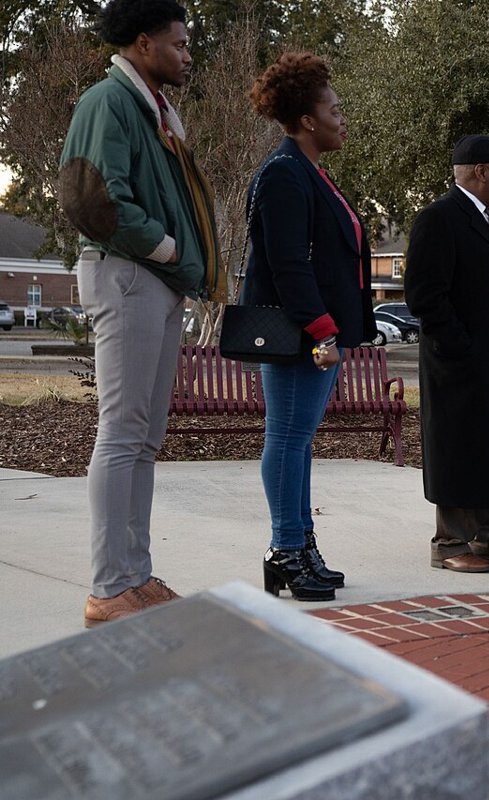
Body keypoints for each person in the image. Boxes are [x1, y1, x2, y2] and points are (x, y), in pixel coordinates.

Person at [58, 0, 222, 627]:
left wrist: (174, 262)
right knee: (123, 434)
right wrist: (169, 246)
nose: (187, 53)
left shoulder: (151, 108)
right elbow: (91, 196)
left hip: (152, 281)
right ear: (145, 41)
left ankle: (132, 574)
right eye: (179, 43)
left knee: (144, 439)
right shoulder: (109, 100)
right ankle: (107, 586)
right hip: (126, 275)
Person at [242, 53, 376, 601]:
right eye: (334, 110)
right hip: (302, 335)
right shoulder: (283, 174)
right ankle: (285, 550)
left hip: (317, 333)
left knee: (297, 440)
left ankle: (300, 545)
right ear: (306, 121)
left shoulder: (307, 171)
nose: (342, 119)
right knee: (288, 437)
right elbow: (287, 263)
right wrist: (322, 329)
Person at [404, 135, 489, 573]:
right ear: (481, 171)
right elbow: (425, 297)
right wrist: (461, 348)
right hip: (458, 365)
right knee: (459, 447)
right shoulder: (439, 219)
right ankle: (450, 543)